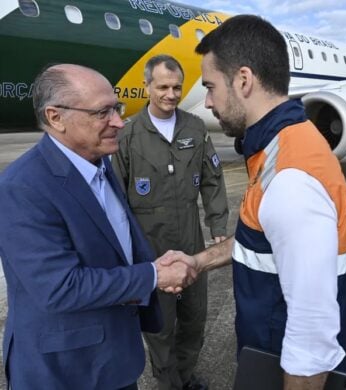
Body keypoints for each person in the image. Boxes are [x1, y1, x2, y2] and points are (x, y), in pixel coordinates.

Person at [169, 14, 346, 390]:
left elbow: (312, 338)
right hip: (269, 358)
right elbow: (266, 239)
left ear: (243, 81)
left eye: (210, 87)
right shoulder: (280, 145)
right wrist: (198, 262)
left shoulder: (290, 178)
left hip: (281, 371)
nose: (207, 103)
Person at [0, 64, 196, 389]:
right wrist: (153, 275)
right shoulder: (22, 187)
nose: (119, 121)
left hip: (114, 358)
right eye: (103, 112)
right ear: (55, 117)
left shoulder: (100, 160)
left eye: (116, 108)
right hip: (65, 370)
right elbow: (59, 288)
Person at [112, 54, 228, 390]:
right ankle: (169, 384)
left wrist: (218, 223)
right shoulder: (128, 136)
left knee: (194, 319)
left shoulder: (194, 127)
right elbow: (116, 198)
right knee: (160, 326)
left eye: (176, 87)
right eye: (162, 86)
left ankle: (186, 376)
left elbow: (212, 178)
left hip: (191, 239)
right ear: (147, 86)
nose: (171, 94)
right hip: (151, 246)